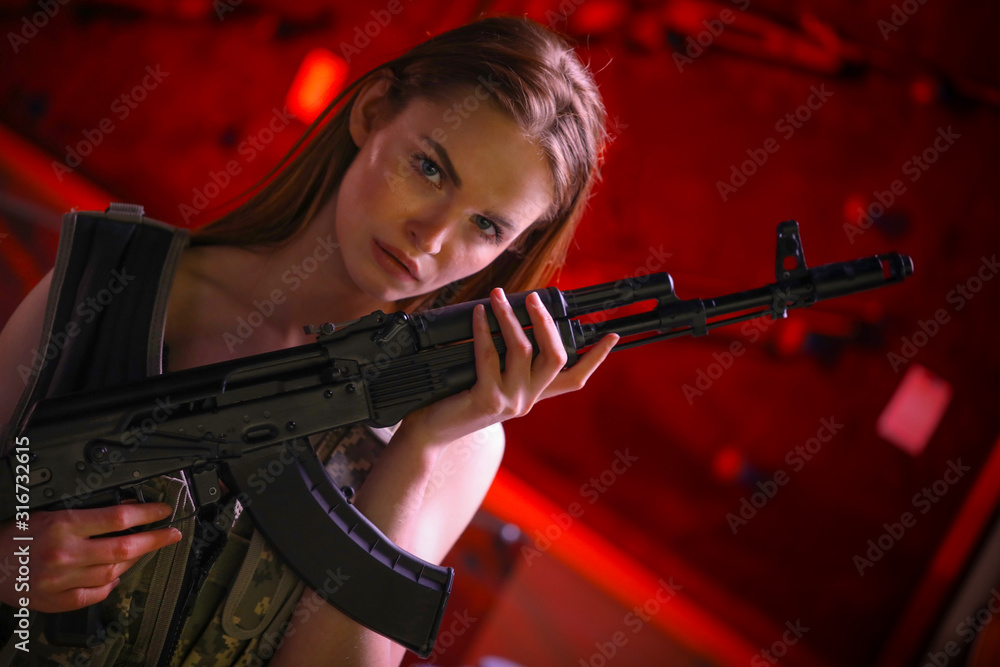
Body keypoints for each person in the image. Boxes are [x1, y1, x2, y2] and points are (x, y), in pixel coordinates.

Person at [0, 15, 615, 666]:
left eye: (486, 225)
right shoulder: (115, 279)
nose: (431, 237)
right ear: (372, 112)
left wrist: (423, 446)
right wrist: (9, 563)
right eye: (430, 168)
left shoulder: (459, 438)